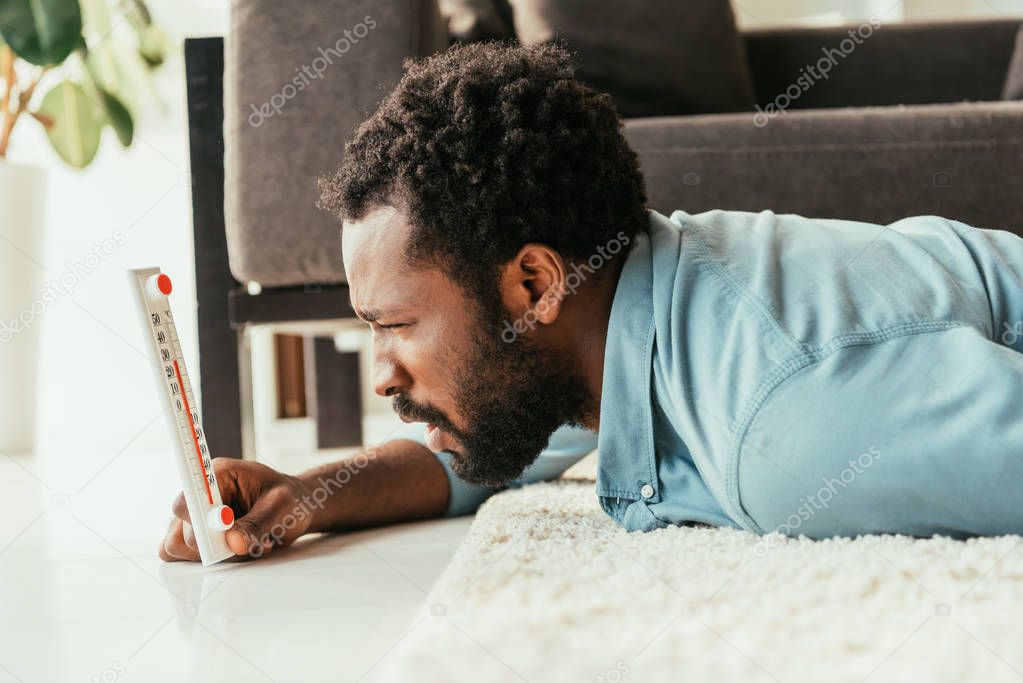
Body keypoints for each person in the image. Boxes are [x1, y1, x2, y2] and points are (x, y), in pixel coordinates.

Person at [160, 41, 1023, 563]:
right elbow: (485, 451)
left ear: (531, 284)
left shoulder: (783, 432)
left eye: (394, 325)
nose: (381, 374)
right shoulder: (615, 316)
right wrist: (307, 493)